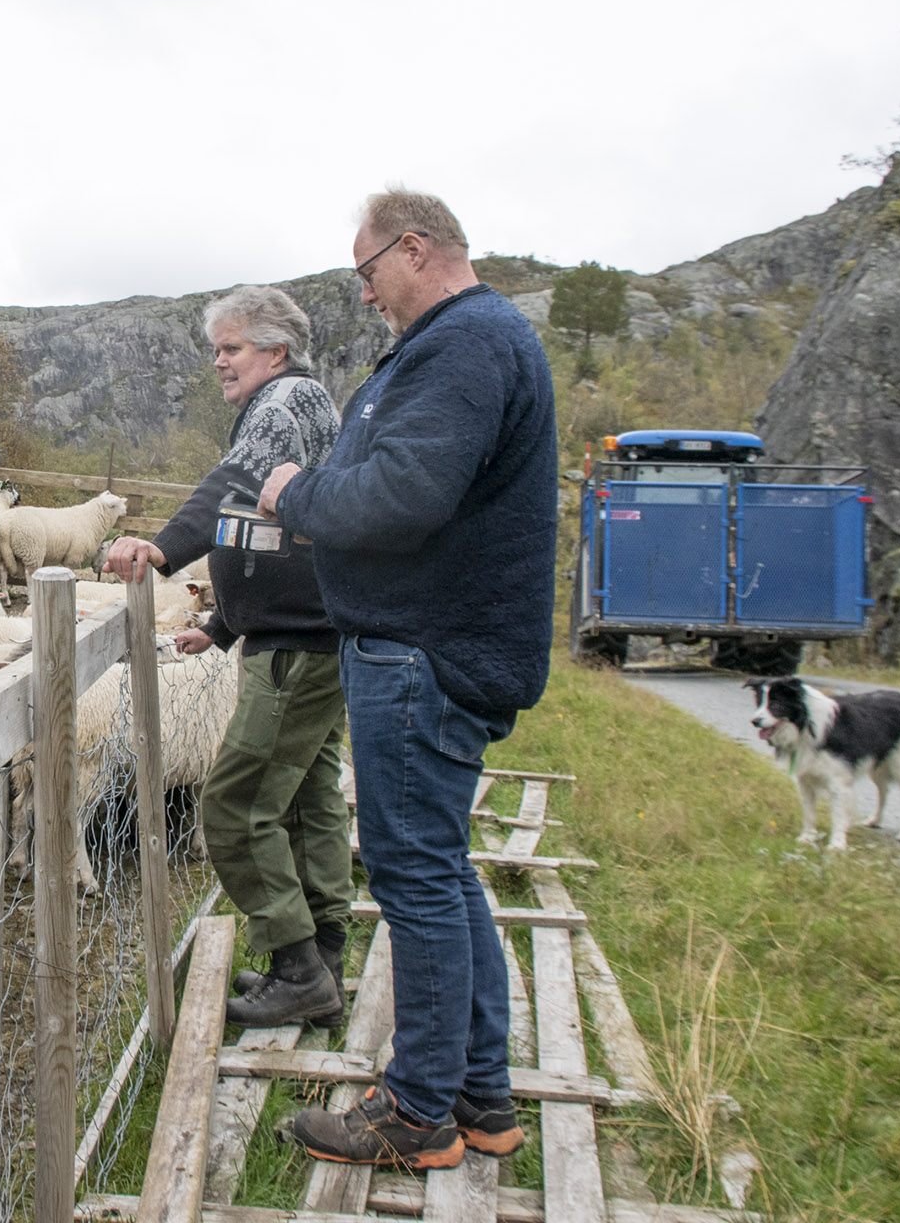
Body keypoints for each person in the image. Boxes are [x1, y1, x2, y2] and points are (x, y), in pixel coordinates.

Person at [257, 188, 557, 1170]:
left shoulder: (463, 343)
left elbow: (406, 492)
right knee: (439, 864)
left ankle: (416, 1109)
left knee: (416, 872)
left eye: (367, 271)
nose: (366, 294)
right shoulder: (468, 341)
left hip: (420, 652)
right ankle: (479, 1092)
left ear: (414, 247)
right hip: (429, 646)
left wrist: (299, 492)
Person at [106, 284, 351, 1030]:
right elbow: (262, 531)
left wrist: (164, 545)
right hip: (304, 634)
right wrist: (222, 623)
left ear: (275, 350)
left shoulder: (283, 404)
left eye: (233, 348)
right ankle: (323, 958)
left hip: (297, 649)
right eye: (217, 349)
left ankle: (297, 969)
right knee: (308, 800)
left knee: (236, 805)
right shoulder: (295, 405)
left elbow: (234, 486)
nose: (221, 363)